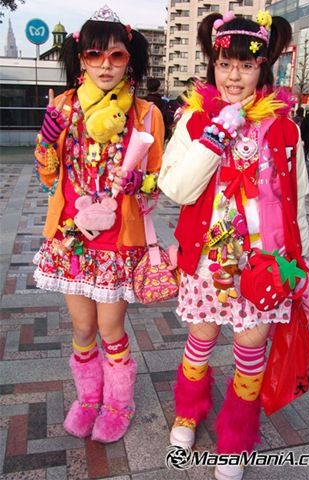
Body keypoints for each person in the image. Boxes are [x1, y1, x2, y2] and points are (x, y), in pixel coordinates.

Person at [158, 10, 309, 480]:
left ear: (262, 67)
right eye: (225, 64)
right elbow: (178, 190)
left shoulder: (284, 126)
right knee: (201, 340)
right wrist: (215, 135)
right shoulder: (192, 118)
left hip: (263, 265)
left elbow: (297, 201)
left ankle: (237, 438)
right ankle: (188, 411)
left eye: (246, 66)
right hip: (208, 262)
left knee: (251, 349)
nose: (235, 76)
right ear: (213, 64)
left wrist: (299, 265)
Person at [33, 5, 164, 443]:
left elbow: (155, 189)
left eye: (116, 56)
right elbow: (49, 175)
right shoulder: (64, 106)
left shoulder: (147, 115)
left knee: (110, 331)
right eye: (94, 55)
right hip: (72, 241)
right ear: (80, 59)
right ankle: (88, 398)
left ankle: (118, 404)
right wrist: (46, 142)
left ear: (131, 59)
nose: (105, 65)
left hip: (117, 243)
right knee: (83, 330)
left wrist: (139, 181)